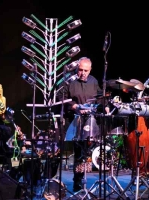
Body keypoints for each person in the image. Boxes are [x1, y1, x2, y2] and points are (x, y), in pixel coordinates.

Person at [57, 57, 105, 192]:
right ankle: (77, 183)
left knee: (88, 154)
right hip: (75, 120)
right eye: (80, 70)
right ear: (77, 69)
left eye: (86, 70)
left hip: (91, 121)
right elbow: (62, 98)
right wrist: (75, 106)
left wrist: (104, 105)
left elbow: (100, 98)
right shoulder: (70, 81)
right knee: (79, 154)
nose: (83, 73)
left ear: (90, 70)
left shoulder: (94, 81)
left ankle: (84, 180)